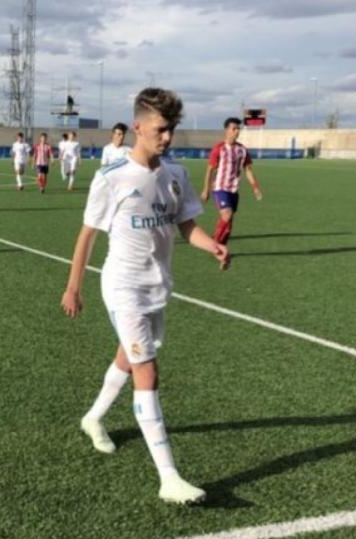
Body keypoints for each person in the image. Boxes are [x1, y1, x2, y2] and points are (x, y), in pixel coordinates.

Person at [60, 88, 229, 505]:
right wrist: (73, 287)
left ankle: (93, 418)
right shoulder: (111, 177)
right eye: (159, 129)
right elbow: (87, 235)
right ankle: (169, 478)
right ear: (137, 127)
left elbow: (187, 226)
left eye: (171, 129)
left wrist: (213, 246)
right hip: (123, 287)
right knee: (148, 372)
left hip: (158, 286)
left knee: (128, 357)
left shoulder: (176, 175)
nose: (166, 137)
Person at [201, 117, 263, 266]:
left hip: (234, 190)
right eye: (234, 128)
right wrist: (206, 189)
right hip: (220, 188)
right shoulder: (219, 148)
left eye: (238, 129)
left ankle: (220, 249)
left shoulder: (242, 150)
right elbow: (210, 170)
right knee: (226, 215)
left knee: (228, 225)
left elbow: (248, 170)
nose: (237, 131)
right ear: (227, 130)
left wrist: (255, 187)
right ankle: (215, 245)